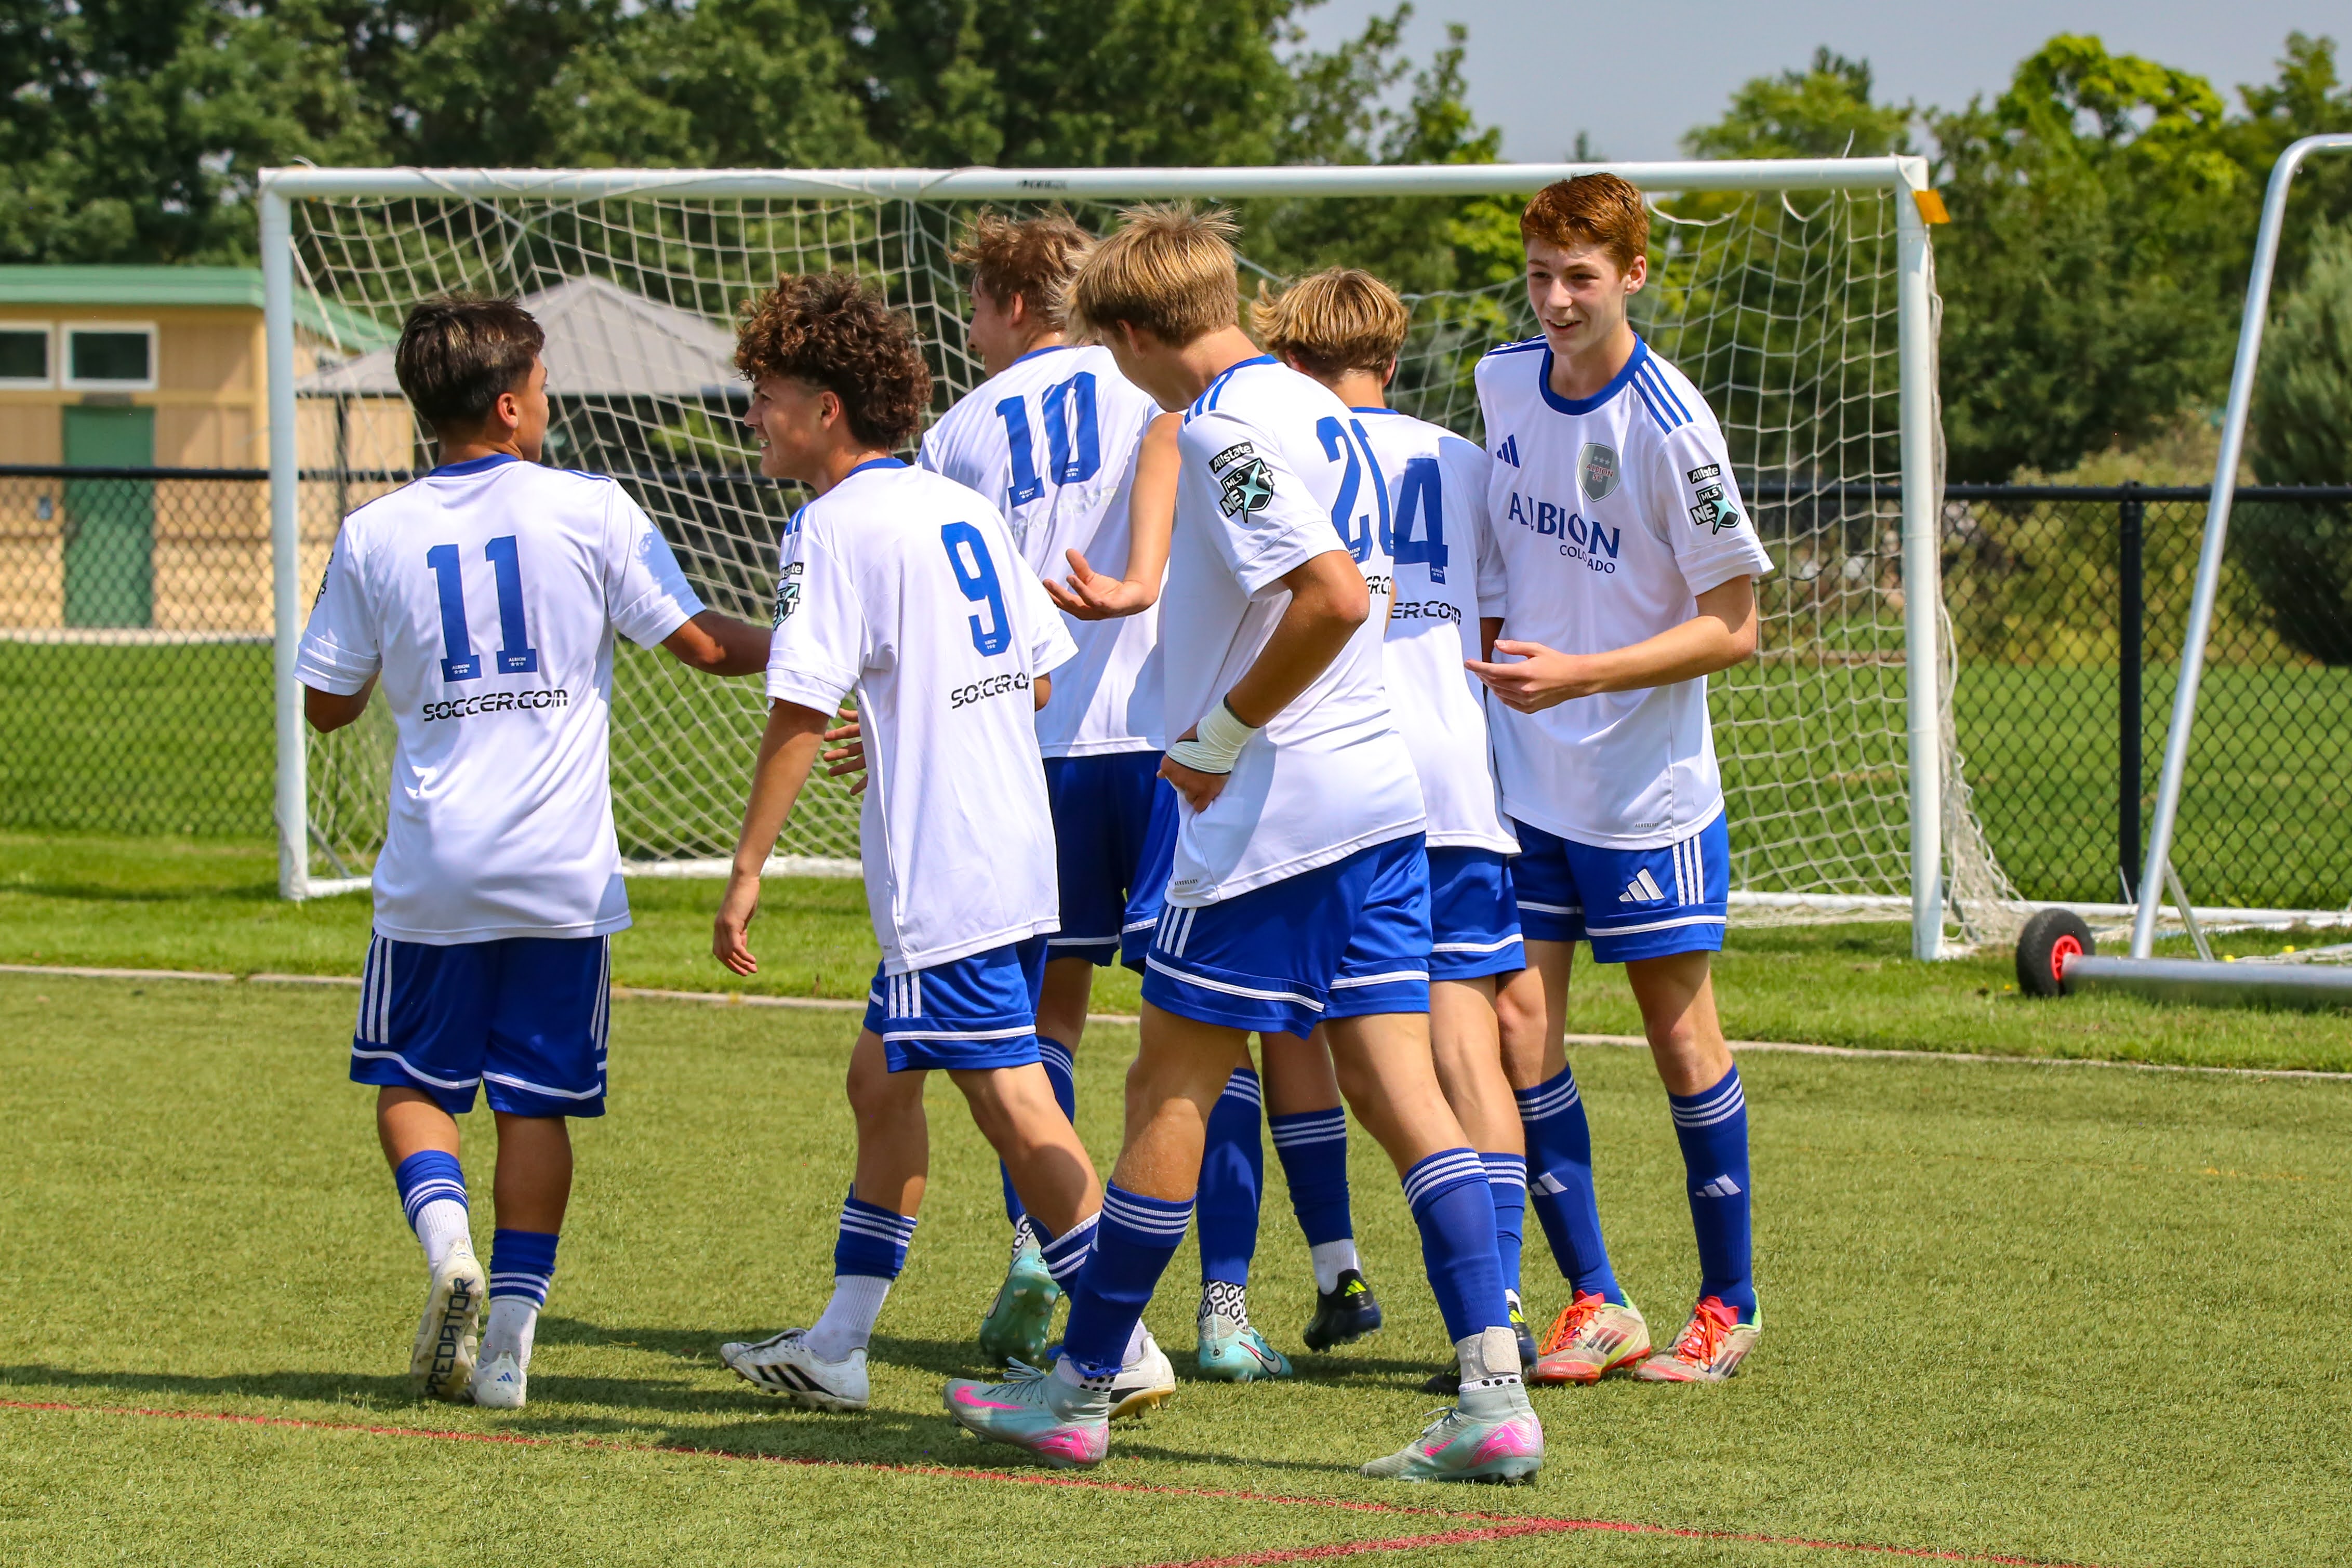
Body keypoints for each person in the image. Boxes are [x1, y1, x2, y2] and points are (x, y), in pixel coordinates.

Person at [943, 206, 1542, 1483]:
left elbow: (1324, 598)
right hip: (1380, 803)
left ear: (1134, 332)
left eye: (1111, 346)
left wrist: (1215, 734)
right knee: (1399, 1090)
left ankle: (1078, 1388)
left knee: (1166, 1086)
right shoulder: (1321, 410)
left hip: (1272, 814)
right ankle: (1493, 1396)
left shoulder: (1223, 425)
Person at [711, 273, 1172, 1420]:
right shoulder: (953, 505)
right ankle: (839, 1343)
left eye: (765, 397)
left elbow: (796, 710)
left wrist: (748, 867)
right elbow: (1039, 671)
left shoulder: (829, 524)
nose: (754, 419)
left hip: (946, 873)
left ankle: (1123, 1344)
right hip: (1017, 852)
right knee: (882, 1079)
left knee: (1014, 1105)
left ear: (825, 407)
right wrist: (919, 715)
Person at [296, 297, 772, 1410]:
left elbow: (326, 705)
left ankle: (448, 1249)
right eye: (546, 388)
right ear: (510, 405)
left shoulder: (375, 530)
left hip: (435, 872)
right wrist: (819, 645)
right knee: (535, 1105)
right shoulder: (592, 507)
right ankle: (509, 1341)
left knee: (411, 1087)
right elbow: (702, 644)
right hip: (563, 873)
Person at [917, 211, 1257, 1374]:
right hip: (1169, 741)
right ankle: (1221, 1311)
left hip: (1026, 742)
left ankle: (1037, 1247)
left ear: (1017, 306)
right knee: (1209, 1022)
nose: (971, 328)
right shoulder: (1164, 388)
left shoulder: (957, 430)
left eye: (974, 304)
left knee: (1041, 1017)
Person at [1467, 174, 1774, 1384]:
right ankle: (1594, 1297)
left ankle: (1729, 1302)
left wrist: (1585, 674)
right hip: (1525, 784)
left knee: (1676, 1036)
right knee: (1516, 1025)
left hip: (1645, 796)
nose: (1554, 299)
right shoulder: (1498, 384)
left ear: (1632, 274)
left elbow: (1735, 626)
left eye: (1579, 277)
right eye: (1539, 274)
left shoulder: (1671, 426)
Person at [1252, 268, 1547, 1386]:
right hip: (1454, 778)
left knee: (1310, 1034)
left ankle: (1337, 1268)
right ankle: (1501, 1308)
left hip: (1336, 775)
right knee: (1466, 1045)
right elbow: (1492, 624)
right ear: (1392, 347)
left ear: (1287, 350)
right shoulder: (1459, 460)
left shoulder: (1285, 449)